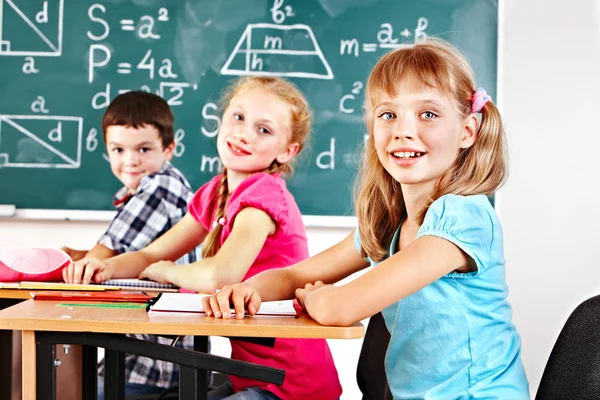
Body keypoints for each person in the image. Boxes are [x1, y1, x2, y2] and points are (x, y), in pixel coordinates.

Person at [203, 39, 531, 399]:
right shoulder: (388, 223)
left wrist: (320, 297)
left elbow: (339, 308)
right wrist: (248, 290)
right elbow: (296, 275)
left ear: (468, 131)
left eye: (428, 114)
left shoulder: (463, 215)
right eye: (388, 115)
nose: (403, 131)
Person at [64, 76, 342, 400]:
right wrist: (104, 268)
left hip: (289, 387)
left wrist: (165, 270)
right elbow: (149, 255)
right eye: (238, 118)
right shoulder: (215, 193)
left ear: (287, 151)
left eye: (263, 130)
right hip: (251, 378)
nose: (243, 134)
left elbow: (218, 276)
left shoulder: (265, 197)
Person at [63, 90, 199, 399]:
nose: (130, 161)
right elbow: (122, 255)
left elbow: (106, 252)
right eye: (118, 149)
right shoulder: (157, 184)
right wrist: (82, 256)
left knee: (53, 384)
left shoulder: (160, 187)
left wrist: (82, 261)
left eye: (143, 149)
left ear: (168, 149)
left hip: (154, 363)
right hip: (148, 351)